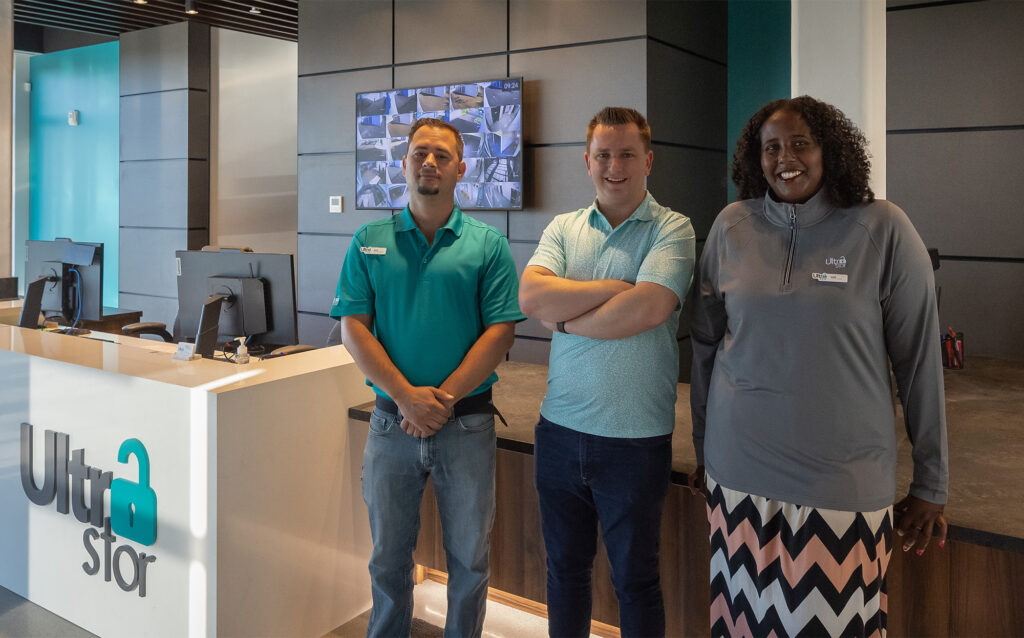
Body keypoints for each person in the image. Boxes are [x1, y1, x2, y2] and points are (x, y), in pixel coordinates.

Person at [689, 96, 948, 637]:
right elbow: (707, 346)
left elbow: (920, 361)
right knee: (741, 624)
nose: (787, 158)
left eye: (801, 143)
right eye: (772, 147)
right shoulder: (731, 227)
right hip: (737, 477)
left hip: (842, 485)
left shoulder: (884, 228)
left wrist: (932, 481)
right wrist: (703, 447)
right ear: (754, 159)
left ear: (830, 150)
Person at [330, 118, 525, 638]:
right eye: (419, 153)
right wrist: (406, 398)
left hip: (467, 425)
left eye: (442, 155)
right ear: (404, 164)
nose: (430, 163)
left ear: (461, 168)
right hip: (391, 425)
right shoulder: (369, 240)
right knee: (387, 561)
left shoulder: (488, 244)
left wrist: (440, 400)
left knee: (470, 562)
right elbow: (353, 329)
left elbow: (501, 332)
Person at [519, 107, 695, 637]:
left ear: (648, 160)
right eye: (602, 155)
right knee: (564, 573)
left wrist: (566, 320)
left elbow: (648, 310)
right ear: (587, 161)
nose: (613, 166)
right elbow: (531, 296)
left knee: (635, 581)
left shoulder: (674, 228)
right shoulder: (563, 227)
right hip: (559, 433)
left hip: (635, 441)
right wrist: (615, 288)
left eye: (625, 155)